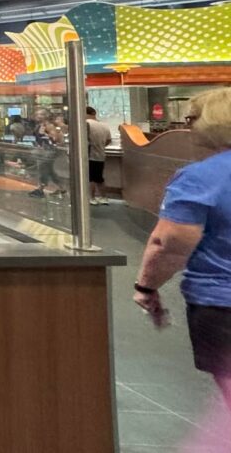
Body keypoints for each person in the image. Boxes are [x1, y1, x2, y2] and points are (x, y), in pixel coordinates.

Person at [133, 88, 231, 413]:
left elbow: (169, 244)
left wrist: (146, 287)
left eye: (190, 119)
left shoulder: (201, 178)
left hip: (221, 302)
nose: (187, 127)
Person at [85, 106, 112, 205]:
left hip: (89, 155)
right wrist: (100, 146)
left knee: (90, 178)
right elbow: (109, 140)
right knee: (99, 178)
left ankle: (91, 197)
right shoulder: (104, 125)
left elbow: (85, 140)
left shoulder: (86, 124)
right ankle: (103, 197)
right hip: (100, 155)